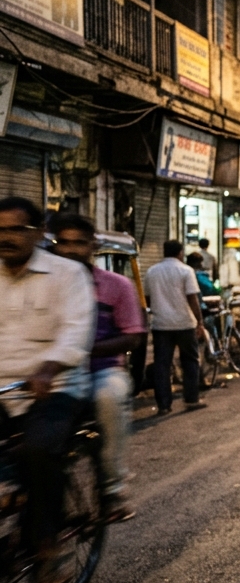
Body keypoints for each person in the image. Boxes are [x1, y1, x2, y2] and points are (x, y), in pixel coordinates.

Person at [0, 197, 95, 583]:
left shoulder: (67, 274)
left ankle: (47, 545)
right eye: (0, 229)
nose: (6, 237)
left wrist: (49, 366)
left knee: (38, 451)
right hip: (2, 391)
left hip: (53, 389)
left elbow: (76, 331)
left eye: (15, 229)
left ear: (39, 233)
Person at [50, 213, 142, 523]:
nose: (71, 250)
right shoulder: (44, 284)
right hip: (52, 370)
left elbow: (133, 335)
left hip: (103, 369)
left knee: (109, 398)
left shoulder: (116, 285)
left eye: (79, 243)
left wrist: (82, 350)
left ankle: (113, 487)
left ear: (94, 246)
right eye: (64, 242)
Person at [145, 240, 206, 414]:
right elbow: (192, 299)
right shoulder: (186, 271)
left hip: (161, 325)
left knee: (162, 365)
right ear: (180, 253)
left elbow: (147, 299)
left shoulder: (151, 272)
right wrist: (199, 322)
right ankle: (191, 398)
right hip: (184, 324)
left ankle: (164, 405)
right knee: (190, 361)